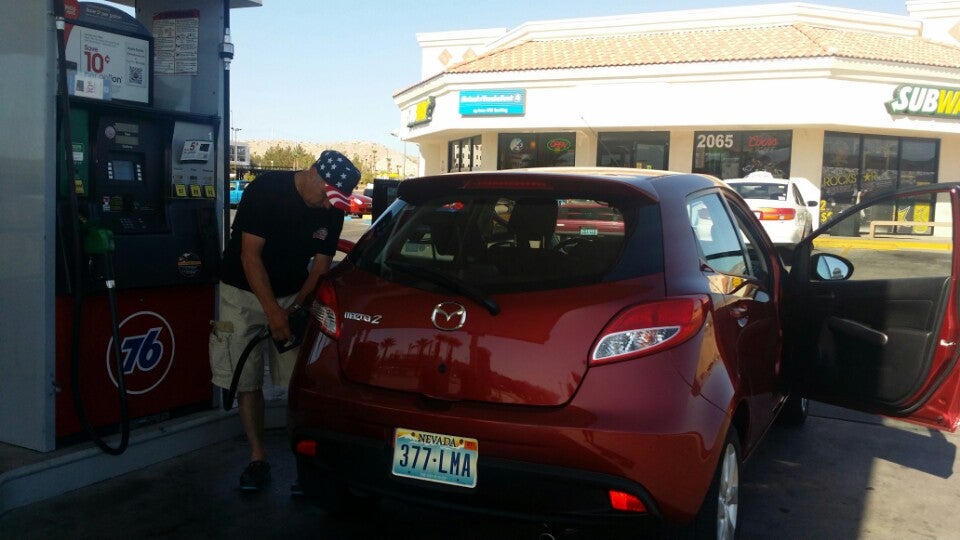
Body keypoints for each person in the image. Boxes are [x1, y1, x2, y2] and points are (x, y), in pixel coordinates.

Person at [209, 150, 360, 492]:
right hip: (242, 291)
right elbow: (250, 256)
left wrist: (294, 311)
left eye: (336, 201)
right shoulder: (267, 190)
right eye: (328, 196)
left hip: (292, 293)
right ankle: (257, 457)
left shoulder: (332, 210)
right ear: (314, 174)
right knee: (246, 379)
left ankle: (304, 466)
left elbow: (320, 268)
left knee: (299, 381)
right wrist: (273, 314)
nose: (329, 206)